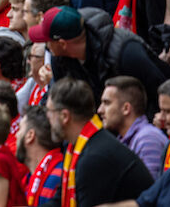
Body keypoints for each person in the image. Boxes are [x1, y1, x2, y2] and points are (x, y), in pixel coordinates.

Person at [29, 5, 170, 105]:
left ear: (62, 44)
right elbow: (58, 101)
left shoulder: (124, 52)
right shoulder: (59, 57)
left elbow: (162, 90)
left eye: (47, 41)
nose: (46, 47)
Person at [46, 78, 154, 206]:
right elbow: (58, 201)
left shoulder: (95, 157)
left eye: (49, 111)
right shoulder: (77, 147)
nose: (47, 117)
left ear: (65, 116)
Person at [99, 76, 168, 178]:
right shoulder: (126, 140)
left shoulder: (148, 139)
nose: (100, 110)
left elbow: (150, 189)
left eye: (107, 103)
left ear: (126, 108)